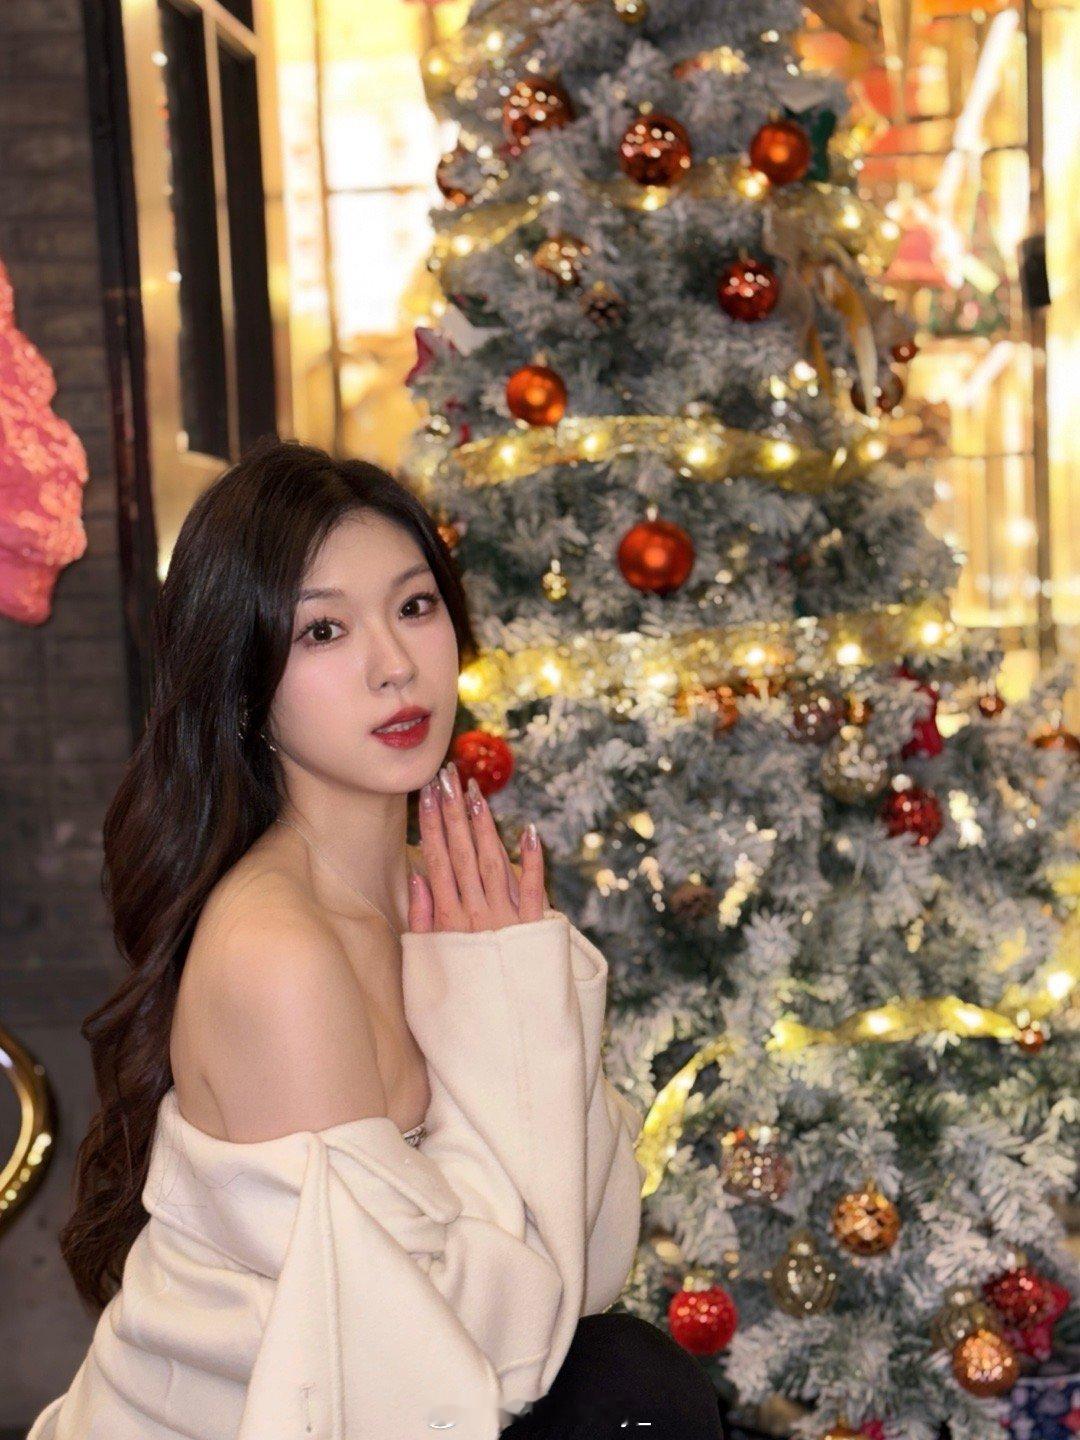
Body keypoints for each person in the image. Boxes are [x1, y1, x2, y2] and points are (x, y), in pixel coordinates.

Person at [26, 437, 727, 1439]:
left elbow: (593, 1255)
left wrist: (510, 981)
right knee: (631, 1394)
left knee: (629, 1380)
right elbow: (431, 1363)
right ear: (244, 682)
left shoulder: (444, 894)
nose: (394, 666)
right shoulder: (276, 951)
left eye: (414, 606)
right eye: (322, 631)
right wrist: (504, 1008)